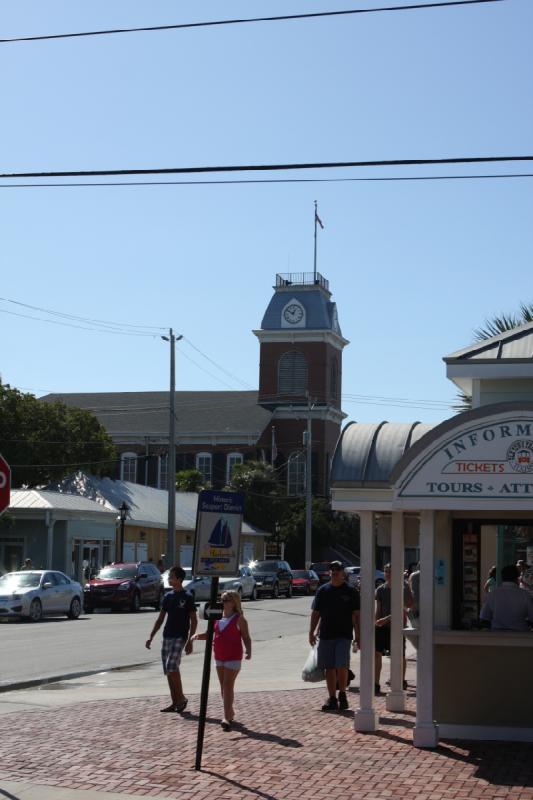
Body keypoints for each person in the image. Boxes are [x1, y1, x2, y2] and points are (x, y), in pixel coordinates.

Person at [192, 589, 251, 731]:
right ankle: (230, 712)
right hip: (219, 655)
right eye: (221, 600)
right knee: (223, 686)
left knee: (227, 684)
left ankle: (225, 717)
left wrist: (248, 650)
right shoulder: (216, 617)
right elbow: (209, 634)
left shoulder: (239, 619)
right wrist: (197, 636)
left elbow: (246, 637)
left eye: (226, 600)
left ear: (233, 603)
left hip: (233, 656)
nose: (222, 603)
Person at [309, 560, 360, 712]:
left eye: (337, 569)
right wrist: (311, 632)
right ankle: (332, 698)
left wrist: (358, 635)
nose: (334, 571)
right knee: (329, 668)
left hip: (344, 635)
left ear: (343, 572)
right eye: (332, 569)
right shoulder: (323, 591)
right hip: (325, 635)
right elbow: (316, 613)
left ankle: (343, 694)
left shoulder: (351, 591)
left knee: (341, 665)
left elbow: (356, 615)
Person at [145, 565, 197, 713]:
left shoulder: (187, 597)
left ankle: (181, 698)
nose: (169, 579)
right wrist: (151, 636)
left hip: (179, 637)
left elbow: (194, 620)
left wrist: (190, 641)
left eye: (171, 577)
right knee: (168, 670)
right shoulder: (168, 597)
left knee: (172, 666)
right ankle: (175, 702)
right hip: (167, 636)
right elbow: (160, 619)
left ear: (179, 579)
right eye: (169, 577)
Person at [375, 563, 412, 694]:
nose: (388, 574)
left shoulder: (403, 587)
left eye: (390, 571)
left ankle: (401, 681)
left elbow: (406, 606)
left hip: (397, 627)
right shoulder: (380, 589)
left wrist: (386, 619)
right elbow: (378, 609)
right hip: (382, 627)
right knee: (376, 653)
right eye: (386, 571)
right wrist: (376, 622)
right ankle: (375, 684)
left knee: (400, 655)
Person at [480, 564, 533, 631]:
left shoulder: (492, 594)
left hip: (497, 635)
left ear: (502, 577)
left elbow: (484, 618)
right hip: (520, 635)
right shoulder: (525, 594)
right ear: (517, 577)